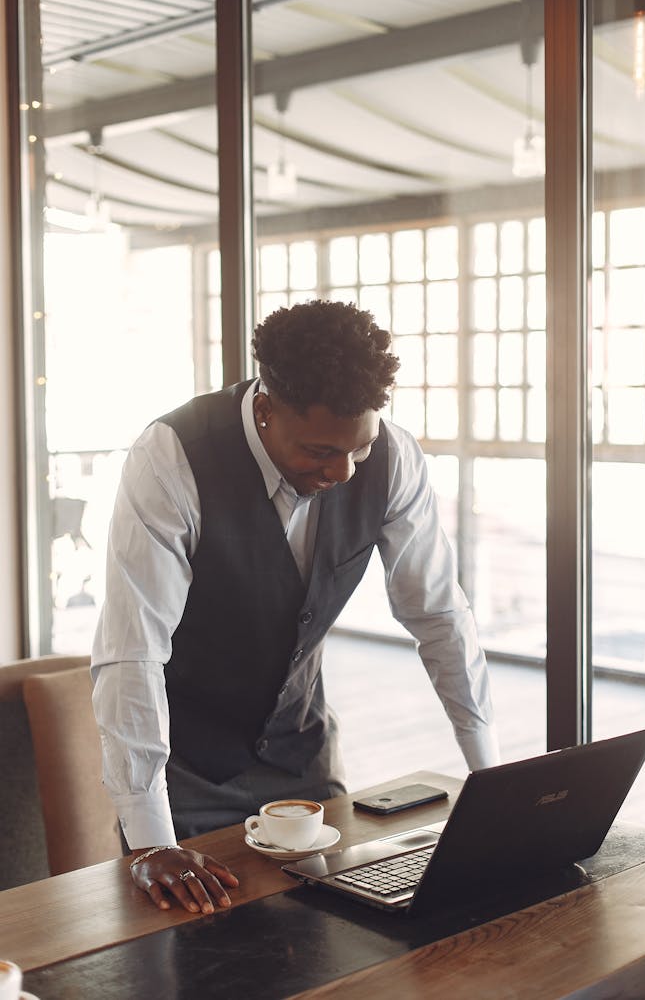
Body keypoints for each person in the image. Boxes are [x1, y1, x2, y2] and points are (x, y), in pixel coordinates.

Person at [91, 299, 499, 915]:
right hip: (185, 768)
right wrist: (150, 842)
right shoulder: (172, 458)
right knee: (186, 957)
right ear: (264, 407)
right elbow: (132, 653)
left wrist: (487, 776)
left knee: (342, 938)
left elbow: (439, 615)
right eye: (318, 451)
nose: (342, 471)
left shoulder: (392, 458)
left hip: (302, 757)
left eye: (357, 450)